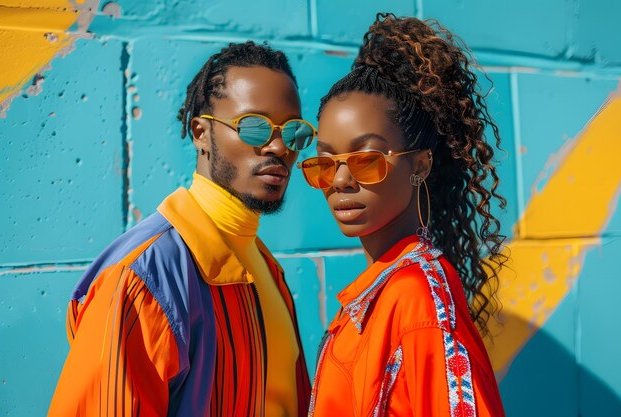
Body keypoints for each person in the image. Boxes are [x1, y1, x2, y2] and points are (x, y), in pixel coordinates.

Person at [48, 41, 315, 417]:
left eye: (293, 132)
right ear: (201, 133)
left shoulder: (264, 267)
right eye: (254, 127)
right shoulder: (143, 279)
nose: (278, 147)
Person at [297, 14, 507, 417]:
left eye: (366, 159)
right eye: (324, 163)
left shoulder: (417, 298)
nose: (339, 180)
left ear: (421, 164)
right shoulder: (378, 291)